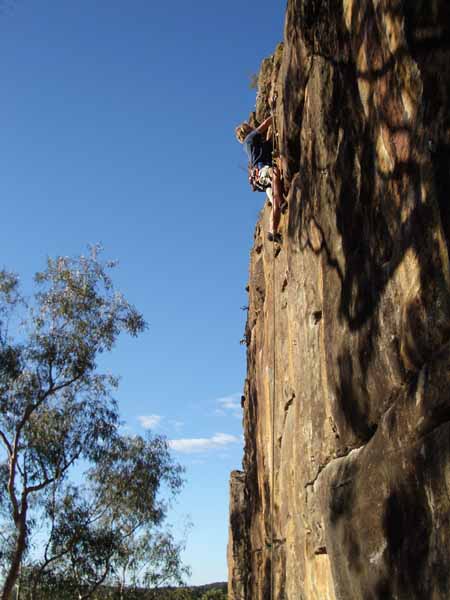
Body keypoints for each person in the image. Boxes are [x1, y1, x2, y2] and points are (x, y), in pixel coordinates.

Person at [235, 116, 283, 242]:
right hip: (263, 171)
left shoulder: (255, 146)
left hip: (262, 180)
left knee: (275, 205)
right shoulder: (249, 139)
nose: (252, 127)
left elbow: (268, 141)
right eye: (249, 127)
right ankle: (281, 200)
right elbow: (266, 124)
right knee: (274, 172)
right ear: (246, 131)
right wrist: (274, 115)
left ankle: (273, 231)